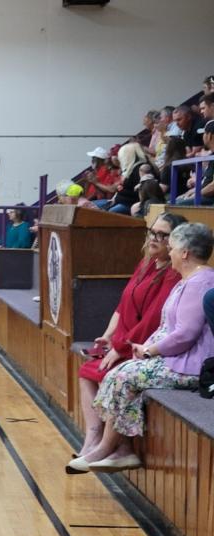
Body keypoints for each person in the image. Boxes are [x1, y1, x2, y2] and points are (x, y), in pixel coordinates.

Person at [68, 223, 214, 473]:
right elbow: (167, 325)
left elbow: (185, 334)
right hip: (175, 357)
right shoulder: (187, 280)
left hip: (190, 366)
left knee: (124, 376)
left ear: (186, 253)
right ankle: (118, 449)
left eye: (174, 247)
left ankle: (107, 448)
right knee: (120, 373)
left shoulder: (201, 282)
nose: (170, 253)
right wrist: (146, 346)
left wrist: (150, 351)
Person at [175, 120, 214, 206]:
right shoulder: (212, 155)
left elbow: (212, 187)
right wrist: (190, 192)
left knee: (177, 205)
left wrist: (196, 194)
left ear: (210, 136)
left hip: (210, 199)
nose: (202, 137)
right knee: (175, 201)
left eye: (204, 133)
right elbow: (207, 183)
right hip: (205, 196)